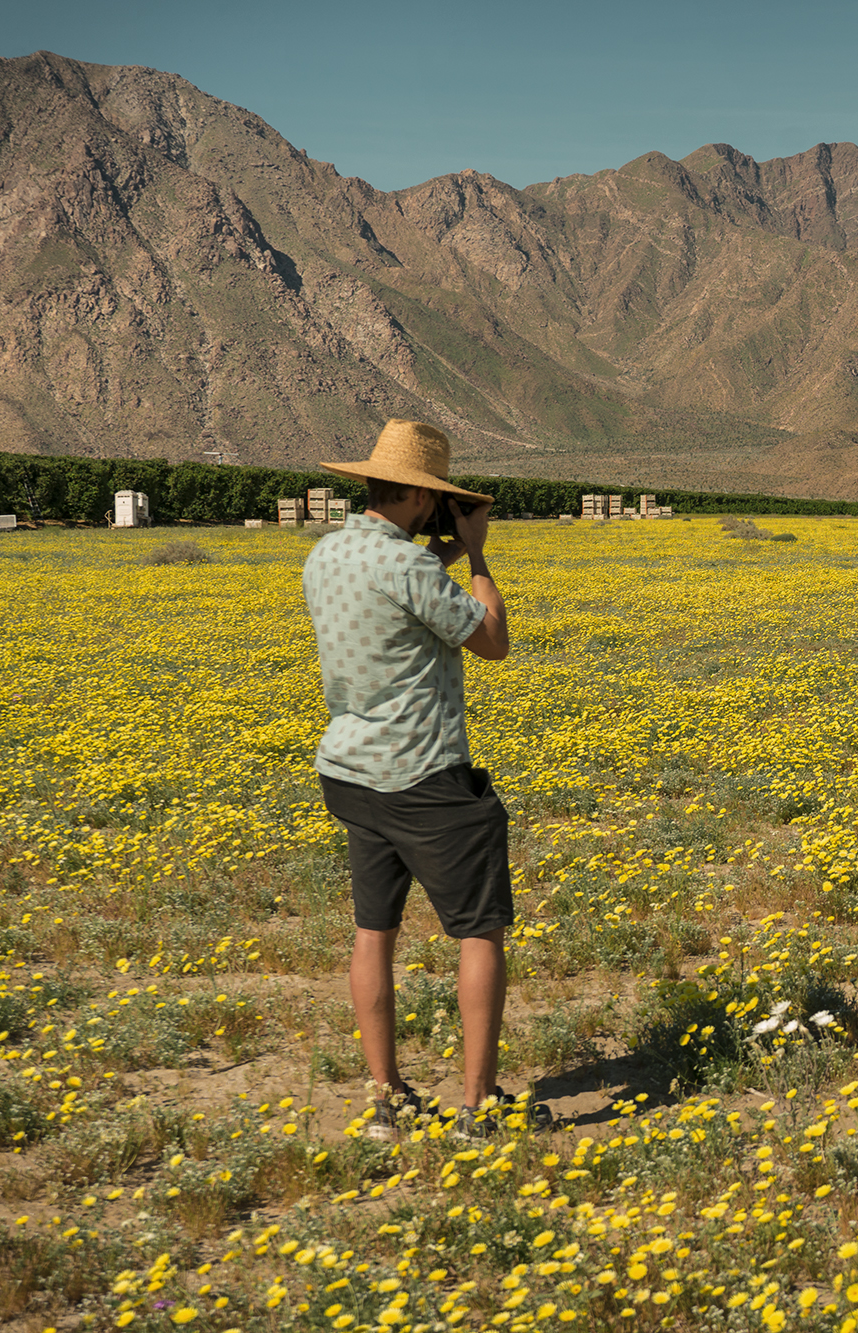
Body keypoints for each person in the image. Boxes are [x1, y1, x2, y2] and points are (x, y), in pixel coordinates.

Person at [303, 419, 552, 1142]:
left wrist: (436, 551)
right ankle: (478, 1104)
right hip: (423, 775)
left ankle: (385, 1097)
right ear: (418, 493)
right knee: (480, 931)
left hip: (350, 771)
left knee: (372, 932)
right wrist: (475, 553)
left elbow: (397, 588)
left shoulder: (328, 554)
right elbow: (493, 640)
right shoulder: (412, 569)